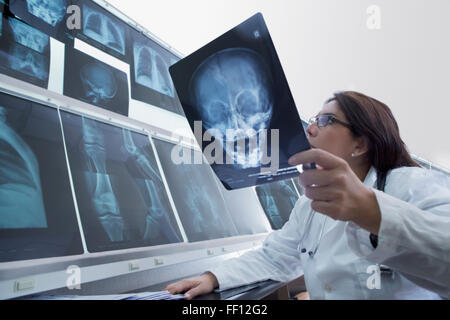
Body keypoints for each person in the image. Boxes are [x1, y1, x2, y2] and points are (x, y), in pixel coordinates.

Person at [165, 91, 450, 299]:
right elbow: (275, 257)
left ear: (360, 144)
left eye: (325, 120)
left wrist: (371, 212)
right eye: (313, 119)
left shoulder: (411, 185)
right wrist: (213, 277)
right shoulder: (309, 204)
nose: (310, 128)